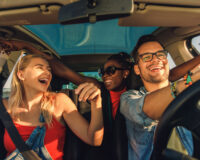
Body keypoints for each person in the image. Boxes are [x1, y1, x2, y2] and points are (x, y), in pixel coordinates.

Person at [1, 39, 200, 160]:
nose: (105, 75)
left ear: (126, 73)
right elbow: (63, 70)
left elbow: (170, 76)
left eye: (111, 70)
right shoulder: (108, 92)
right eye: (102, 71)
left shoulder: (140, 89)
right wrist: (25, 47)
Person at [0, 54, 104, 159]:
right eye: (39, 68)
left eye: (49, 69)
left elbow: (94, 140)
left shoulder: (59, 101)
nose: (47, 73)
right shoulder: (5, 106)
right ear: (21, 75)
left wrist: (96, 103)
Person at [120, 34, 200, 160]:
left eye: (160, 54)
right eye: (146, 57)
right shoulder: (128, 98)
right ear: (137, 69)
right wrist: (192, 80)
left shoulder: (187, 89)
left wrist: (191, 79)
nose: (156, 60)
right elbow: (148, 109)